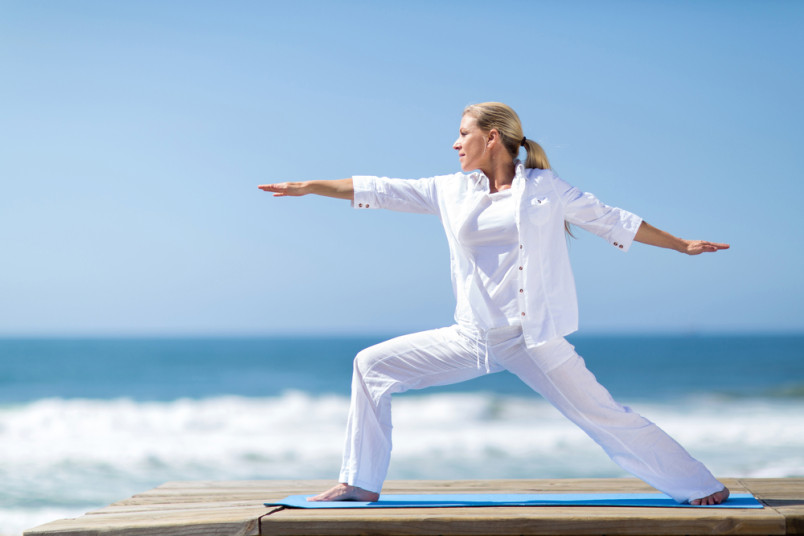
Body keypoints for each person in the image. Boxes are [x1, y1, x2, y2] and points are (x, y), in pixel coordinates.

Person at [258, 102, 731, 506]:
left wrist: (680, 244)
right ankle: (360, 483)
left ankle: (697, 484)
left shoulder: (546, 189)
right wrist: (309, 186)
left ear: (492, 137)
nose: (455, 144)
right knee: (371, 365)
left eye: (462, 134)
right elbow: (380, 189)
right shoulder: (450, 190)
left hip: (532, 337)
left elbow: (613, 221)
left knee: (602, 413)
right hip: (470, 335)